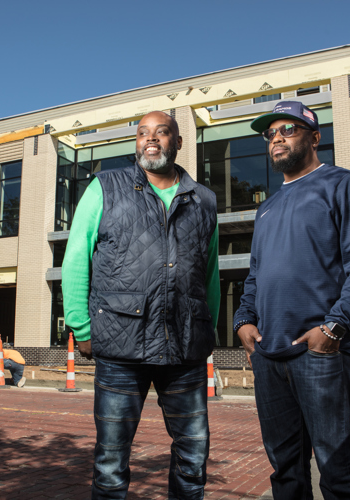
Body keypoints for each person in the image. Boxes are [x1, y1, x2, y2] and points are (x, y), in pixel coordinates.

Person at [61, 110, 220, 499]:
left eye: (162, 132)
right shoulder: (105, 186)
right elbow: (76, 255)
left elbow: (210, 273)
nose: (151, 139)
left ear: (178, 141)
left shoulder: (204, 200)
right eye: (143, 133)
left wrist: (207, 329)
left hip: (185, 351)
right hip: (120, 347)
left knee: (193, 456)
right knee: (111, 462)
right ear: (136, 142)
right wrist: (81, 327)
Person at [233, 101, 350, 499]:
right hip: (269, 356)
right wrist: (243, 321)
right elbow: (256, 275)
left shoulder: (343, 184)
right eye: (271, 134)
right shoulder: (266, 208)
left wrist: (334, 327)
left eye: (289, 130)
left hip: (321, 353)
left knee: (337, 470)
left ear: (314, 138)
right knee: (285, 471)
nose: (277, 138)